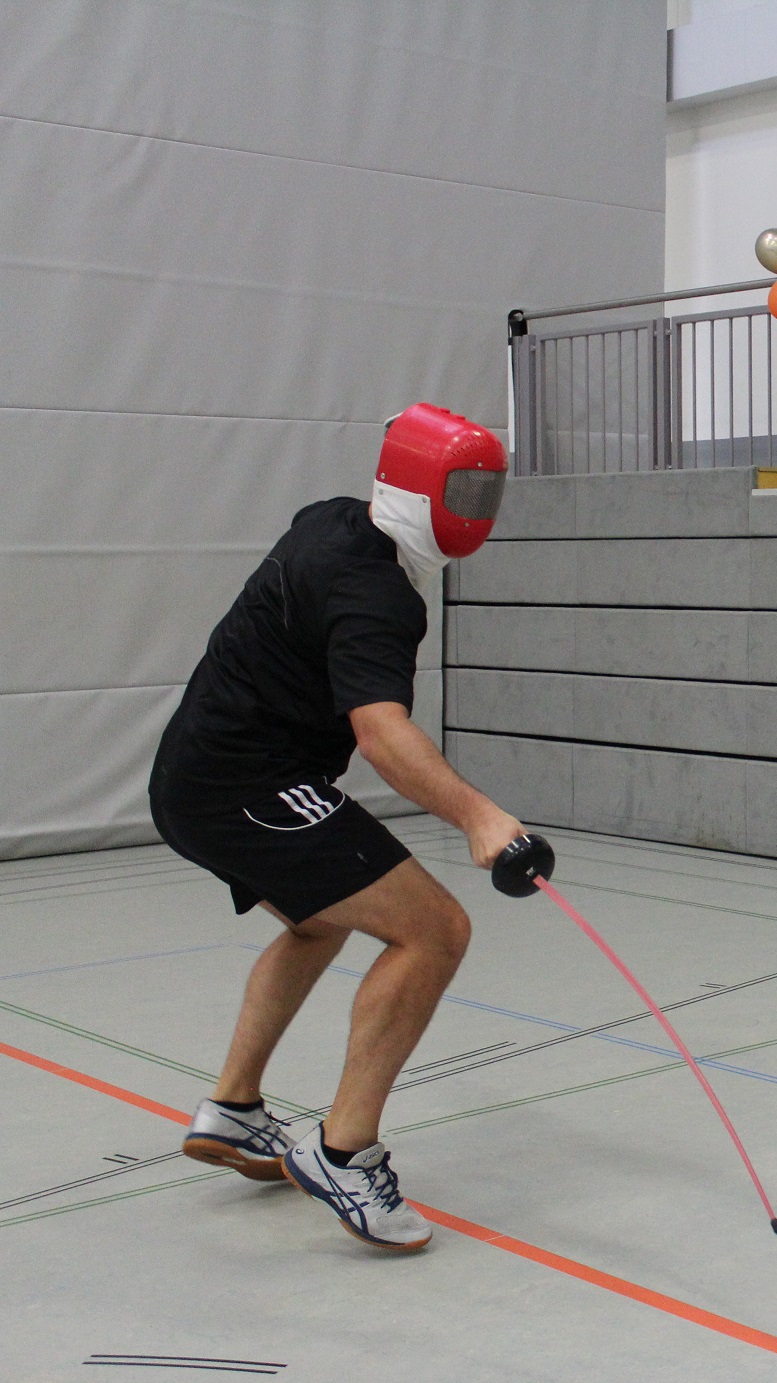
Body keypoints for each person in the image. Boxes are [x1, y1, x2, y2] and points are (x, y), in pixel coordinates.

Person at [150, 403, 526, 1252]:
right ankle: (344, 1153)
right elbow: (381, 731)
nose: (478, 505)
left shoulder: (335, 521)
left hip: (197, 773)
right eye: (463, 486)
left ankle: (235, 1108)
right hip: (244, 784)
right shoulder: (377, 591)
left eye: (489, 489)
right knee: (435, 929)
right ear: (418, 483)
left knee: (318, 920)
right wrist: (481, 817)